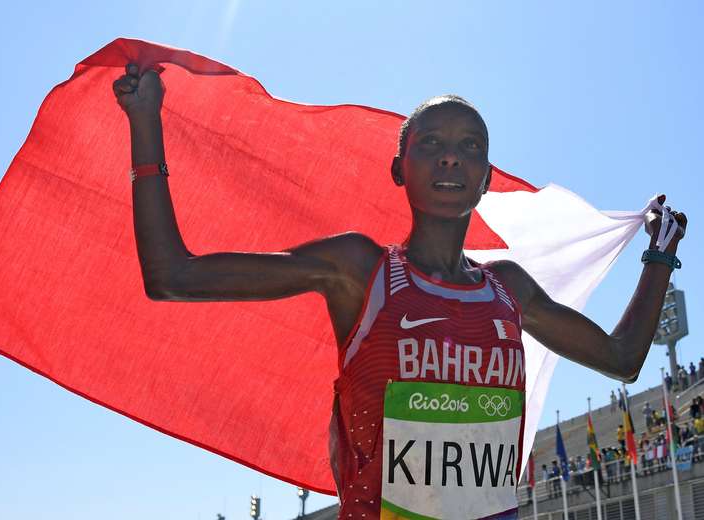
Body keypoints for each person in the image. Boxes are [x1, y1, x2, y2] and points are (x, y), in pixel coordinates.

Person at [112, 63, 688, 520]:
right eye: (431, 142)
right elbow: (174, 277)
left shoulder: (508, 290)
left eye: (471, 147)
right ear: (398, 168)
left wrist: (659, 255)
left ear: (486, 177)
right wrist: (145, 125)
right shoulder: (358, 269)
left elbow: (621, 360)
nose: (450, 155)